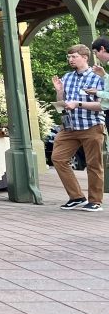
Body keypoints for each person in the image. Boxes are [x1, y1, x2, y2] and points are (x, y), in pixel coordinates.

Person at [52, 43, 104, 212]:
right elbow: (62, 102)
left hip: (92, 126)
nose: (70, 59)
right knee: (58, 158)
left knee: (94, 164)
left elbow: (103, 105)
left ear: (85, 58)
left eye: (74, 56)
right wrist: (59, 91)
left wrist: (78, 104)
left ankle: (95, 201)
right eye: (69, 57)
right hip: (70, 127)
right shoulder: (67, 77)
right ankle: (76, 197)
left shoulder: (98, 77)